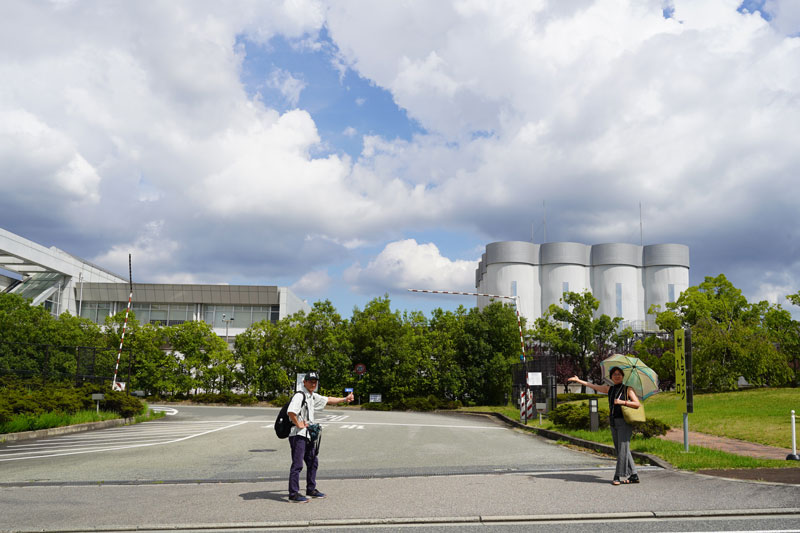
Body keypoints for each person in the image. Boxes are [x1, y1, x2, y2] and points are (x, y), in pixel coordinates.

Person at [286, 371, 354, 503]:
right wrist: (298, 423)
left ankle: (311, 489)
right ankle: (293, 494)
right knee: (298, 464)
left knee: (312, 462)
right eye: (310, 381)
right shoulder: (300, 396)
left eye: (315, 381)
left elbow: (328, 399)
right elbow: (291, 411)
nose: (313, 383)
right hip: (298, 435)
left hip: (308, 435)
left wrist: (345, 399)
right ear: (304, 382)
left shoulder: (312, 396)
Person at [568, 367, 641, 485]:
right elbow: (593, 386)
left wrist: (623, 402)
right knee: (622, 449)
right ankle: (634, 475)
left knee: (623, 449)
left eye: (619, 374)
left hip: (624, 423)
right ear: (611, 377)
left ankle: (617, 476)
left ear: (623, 376)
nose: (617, 376)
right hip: (613, 422)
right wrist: (579, 380)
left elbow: (637, 404)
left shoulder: (628, 389)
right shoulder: (610, 389)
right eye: (614, 374)